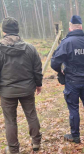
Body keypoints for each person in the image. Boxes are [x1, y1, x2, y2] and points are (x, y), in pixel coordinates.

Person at [0, 17, 43, 154]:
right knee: (31, 115)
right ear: (17, 30)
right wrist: (38, 84)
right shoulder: (30, 48)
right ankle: (36, 142)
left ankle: (13, 149)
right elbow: (37, 68)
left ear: (3, 31)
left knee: (10, 121)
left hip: (7, 92)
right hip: (27, 89)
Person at [51, 15, 84, 143]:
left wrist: (61, 71)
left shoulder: (66, 43)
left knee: (74, 108)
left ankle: (75, 136)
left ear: (70, 27)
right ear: (80, 27)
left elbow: (54, 62)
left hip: (72, 81)